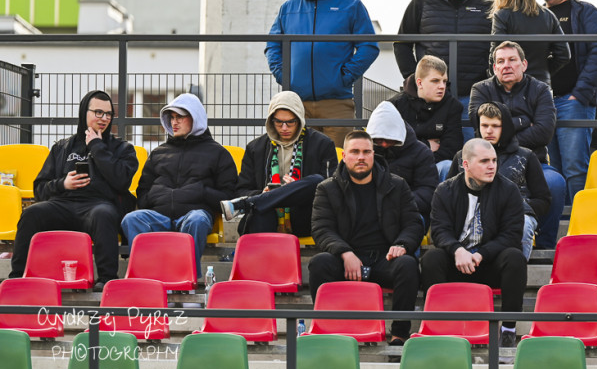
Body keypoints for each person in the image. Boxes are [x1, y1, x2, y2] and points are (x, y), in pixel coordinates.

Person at [9, 90, 138, 291]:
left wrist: (96, 146)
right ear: (84, 112)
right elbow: (40, 189)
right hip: (63, 204)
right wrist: (62, 184)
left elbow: (121, 181)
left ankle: (106, 279)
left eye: (108, 114)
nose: (103, 119)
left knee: (104, 214)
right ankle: (18, 278)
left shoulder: (122, 149)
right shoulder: (62, 147)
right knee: (32, 213)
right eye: (98, 112)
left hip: (98, 205)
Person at [308, 131, 423, 345]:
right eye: (355, 152)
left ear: (373, 154)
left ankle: (399, 334)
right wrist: (344, 252)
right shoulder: (327, 188)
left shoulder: (396, 185)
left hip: (384, 259)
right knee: (319, 263)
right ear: (344, 156)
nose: (361, 157)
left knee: (407, 265)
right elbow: (321, 228)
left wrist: (402, 244)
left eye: (366, 152)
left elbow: (413, 223)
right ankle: (326, 331)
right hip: (346, 260)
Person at [420, 139, 527, 351]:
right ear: (466, 164)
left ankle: (507, 329)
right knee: (431, 259)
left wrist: (482, 254)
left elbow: (511, 234)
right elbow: (439, 231)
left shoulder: (508, 190)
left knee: (515, 258)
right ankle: (439, 327)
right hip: (456, 262)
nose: (492, 166)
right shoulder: (445, 190)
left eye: (494, 160)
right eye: (484, 161)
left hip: (489, 263)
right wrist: (457, 250)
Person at [266, 0, 380, 146]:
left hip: (336, 103)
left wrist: (343, 77)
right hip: (296, 104)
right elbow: (273, 45)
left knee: (337, 163)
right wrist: (284, 76)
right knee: (300, 164)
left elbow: (369, 46)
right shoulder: (288, 8)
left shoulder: (351, 6)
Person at [122, 94, 238, 278]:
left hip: (194, 214)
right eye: (172, 118)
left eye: (180, 117)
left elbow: (228, 196)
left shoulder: (218, 153)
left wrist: (201, 192)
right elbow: (143, 190)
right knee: (132, 219)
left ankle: (185, 279)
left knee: (197, 220)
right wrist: (153, 196)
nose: (174, 123)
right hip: (159, 215)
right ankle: (150, 277)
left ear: (195, 117)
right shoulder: (158, 153)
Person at [468, 40, 565, 248]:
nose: (506, 65)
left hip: (534, 163)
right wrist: (521, 122)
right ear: (494, 68)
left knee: (556, 183)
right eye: (500, 61)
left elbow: (544, 132)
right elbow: (479, 126)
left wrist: (502, 131)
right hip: (490, 162)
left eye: (512, 60)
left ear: (524, 64)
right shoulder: (481, 89)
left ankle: (545, 246)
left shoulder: (540, 90)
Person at [537, 0, 597, 201]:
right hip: (545, 104)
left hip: (574, 102)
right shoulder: (537, 16)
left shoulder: (584, 12)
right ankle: (559, 224)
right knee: (554, 170)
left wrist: (579, 94)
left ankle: (578, 225)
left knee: (575, 168)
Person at [219, 91, 339, 237]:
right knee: (261, 214)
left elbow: (331, 188)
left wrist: (297, 187)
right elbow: (242, 190)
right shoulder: (255, 148)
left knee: (317, 181)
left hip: (305, 214)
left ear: (300, 119)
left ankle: (250, 203)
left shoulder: (322, 144)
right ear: (270, 121)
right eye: (278, 122)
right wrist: (262, 193)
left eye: (290, 122)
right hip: (268, 214)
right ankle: (260, 201)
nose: (284, 128)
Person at [394, 0, 495, 111]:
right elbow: (401, 44)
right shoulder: (422, 1)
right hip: (432, 98)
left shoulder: (488, 2)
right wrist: (415, 79)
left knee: (474, 138)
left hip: (476, 98)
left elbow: (501, 45)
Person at [448, 102, 551, 260]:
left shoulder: (526, 156)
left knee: (522, 224)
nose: (489, 131)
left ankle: (516, 269)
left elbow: (543, 200)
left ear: (506, 127)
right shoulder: (462, 157)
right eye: (484, 125)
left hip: (515, 214)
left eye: (495, 125)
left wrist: (513, 207)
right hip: (471, 212)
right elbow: (449, 195)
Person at [490, 0, 570, 84]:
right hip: (542, 84)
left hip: (512, 86)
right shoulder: (548, 15)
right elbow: (564, 55)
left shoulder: (502, 15)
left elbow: (496, 54)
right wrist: (544, 70)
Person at [390, 55, 465, 180]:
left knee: (447, 166)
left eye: (444, 81)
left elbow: (452, 149)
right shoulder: (396, 105)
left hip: (435, 165)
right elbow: (394, 147)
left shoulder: (452, 106)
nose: (442, 86)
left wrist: (418, 154)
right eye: (435, 81)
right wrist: (427, 146)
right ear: (419, 82)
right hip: (403, 168)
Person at [365, 101, 438, 224]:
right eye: (378, 139)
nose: (383, 144)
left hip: (409, 211)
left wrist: (397, 203)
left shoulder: (421, 152)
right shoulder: (364, 153)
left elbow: (428, 191)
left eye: (388, 139)